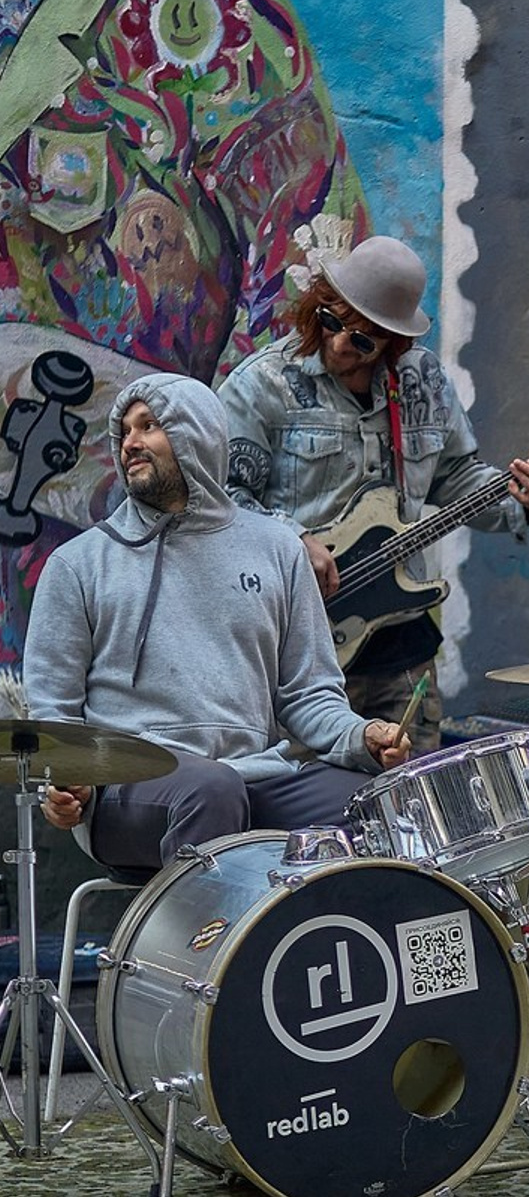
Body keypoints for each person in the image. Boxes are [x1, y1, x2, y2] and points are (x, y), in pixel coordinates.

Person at [25, 373, 409, 871]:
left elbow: (309, 693)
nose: (130, 442)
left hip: (255, 776)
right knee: (211, 790)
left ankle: (342, 946)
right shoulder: (79, 563)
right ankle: (200, 949)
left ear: (197, 435)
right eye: (125, 432)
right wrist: (64, 783)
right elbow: (53, 713)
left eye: (150, 425)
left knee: (383, 806)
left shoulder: (278, 549)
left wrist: (364, 736)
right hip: (127, 790)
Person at [216, 236, 529, 751]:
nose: (338, 345)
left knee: (408, 818)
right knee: (307, 816)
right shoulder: (263, 384)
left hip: (401, 652)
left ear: (393, 343)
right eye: (331, 323)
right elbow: (220, 497)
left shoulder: (421, 381)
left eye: (363, 341)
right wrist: (292, 540)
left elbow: (458, 477)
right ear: (319, 304)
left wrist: (525, 500)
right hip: (299, 653)